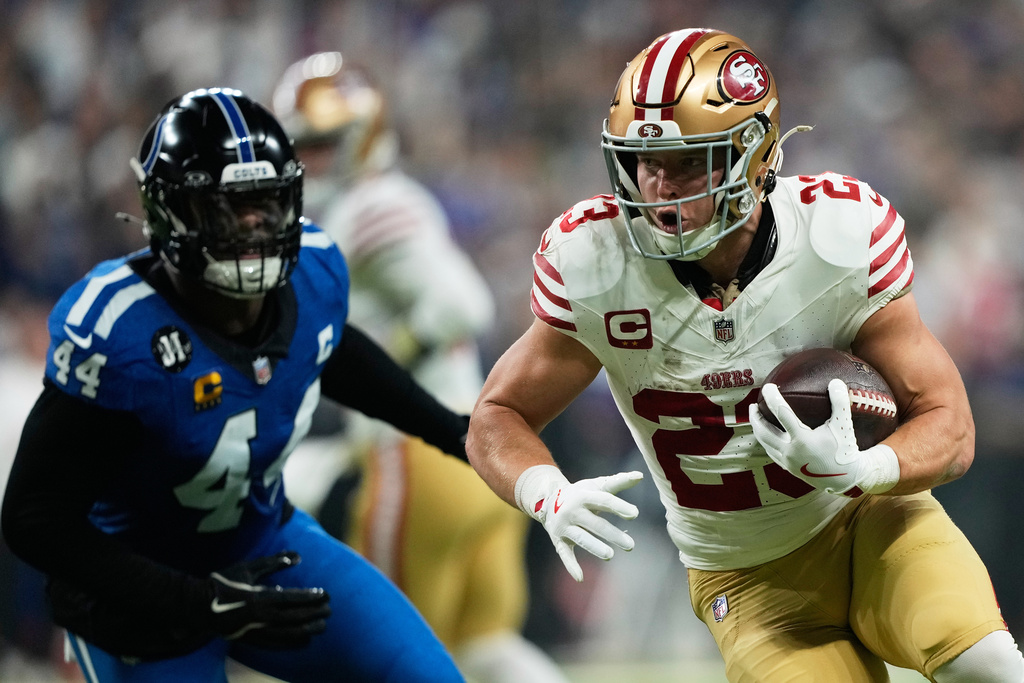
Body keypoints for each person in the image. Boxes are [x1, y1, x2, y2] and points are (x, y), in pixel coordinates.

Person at [465, 28, 1024, 682]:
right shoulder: (595, 260)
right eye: (643, 162)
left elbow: (951, 426)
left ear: (752, 157)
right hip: (746, 573)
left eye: (683, 163)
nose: (656, 189)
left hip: (874, 520)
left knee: (987, 664)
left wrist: (866, 465)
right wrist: (545, 490)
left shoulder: (834, 241)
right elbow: (496, 412)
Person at [1, 87, 467, 682]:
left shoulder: (315, 274)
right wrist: (196, 602)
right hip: (136, 590)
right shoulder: (121, 330)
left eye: (265, 203)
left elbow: (335, 350)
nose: (252, 226)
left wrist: (458, 432)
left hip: (263, 543)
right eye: (225, 208)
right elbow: (35, 517)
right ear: (168, 212)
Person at [271, 52, 569, 683]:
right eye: (304, 145)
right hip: (479, 459)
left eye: (322, 144)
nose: (309, 160)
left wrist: (377, 364)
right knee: (485, 649)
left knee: (378, 657)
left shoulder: (371, 207)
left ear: (363, 137)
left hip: (415, 457)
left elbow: (463, 304)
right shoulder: (390, 202)